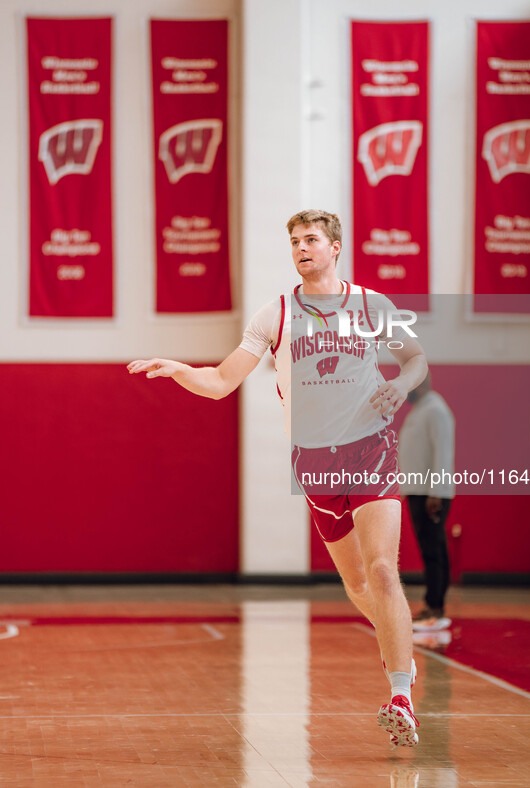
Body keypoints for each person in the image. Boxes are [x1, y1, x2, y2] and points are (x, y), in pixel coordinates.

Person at [127, 209, 428, 746]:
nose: (301, 248)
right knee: (357, 584)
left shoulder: (372, 305)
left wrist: (402, 386)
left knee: (383, 569)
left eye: (311, 239)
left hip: (371, 448)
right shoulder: (275, 315)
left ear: (336, 247)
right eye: (294, 241)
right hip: (313, 461)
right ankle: (395, 634)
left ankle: (401, 694)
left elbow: (416, 362)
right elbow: (221, 381)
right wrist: (179, 371)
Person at [398, 374, 455, 632]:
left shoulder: (435, 410)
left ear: (421, 382)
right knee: (432, 550)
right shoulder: (420, 411)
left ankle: (434, 608)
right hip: (418, 490)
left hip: (429, 494)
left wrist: (436, 492)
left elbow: (442, 452)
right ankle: (434, 606)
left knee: (433, 552)